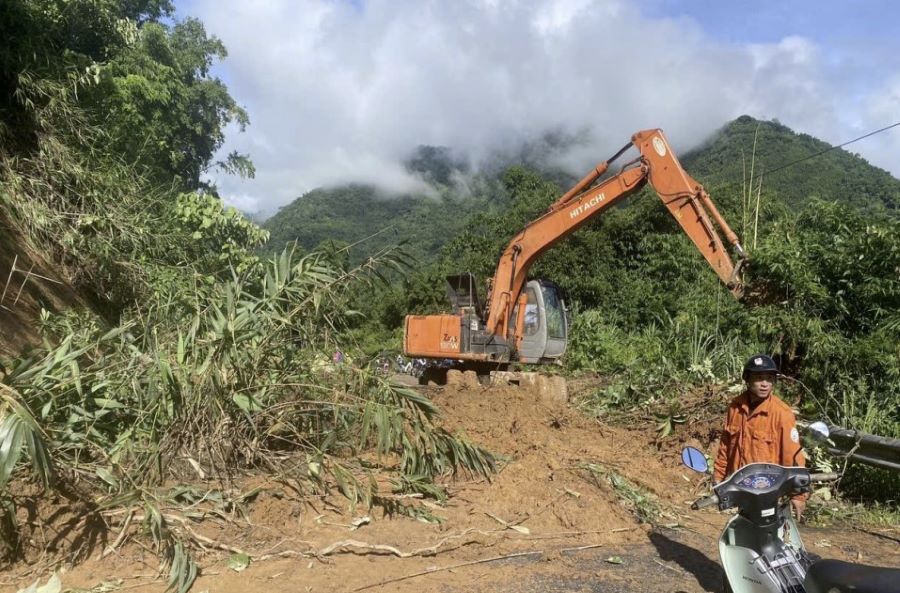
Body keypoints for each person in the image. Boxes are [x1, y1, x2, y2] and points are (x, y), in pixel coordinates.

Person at [713, 354, 807, 519]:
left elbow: (793, 457)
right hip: (742, 488)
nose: (765, 384)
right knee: (743, 534)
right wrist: (719, 477)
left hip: (767, 491)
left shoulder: (782, 413)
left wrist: (798, 496)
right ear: (747, 380)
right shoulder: (735, 408)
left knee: (765, 536)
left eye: (769, 379)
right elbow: (726, 446)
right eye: (759, 378)